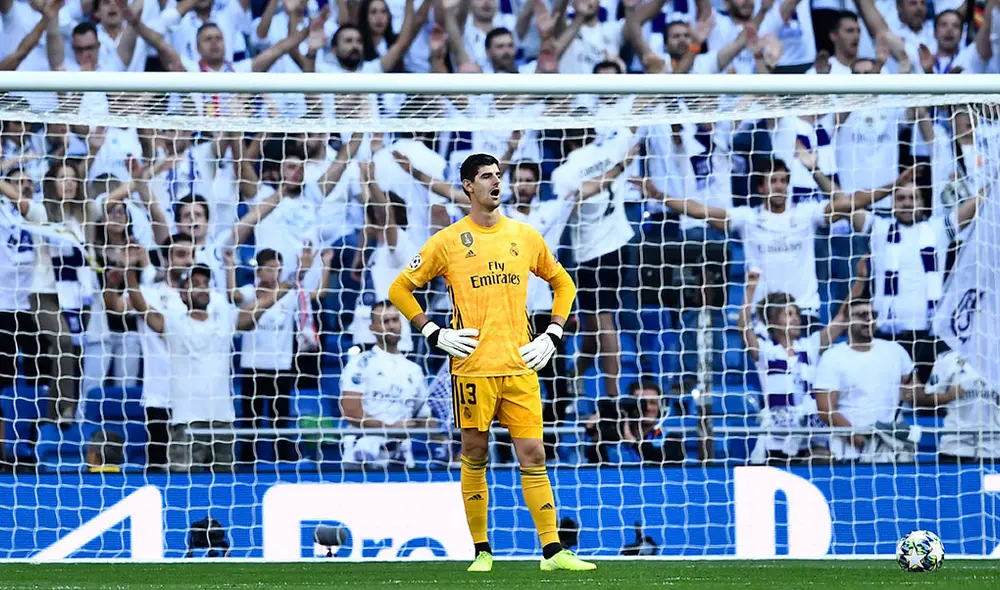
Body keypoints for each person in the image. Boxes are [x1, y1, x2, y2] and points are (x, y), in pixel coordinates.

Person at [388, 153, 594, 572]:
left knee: (534, 454)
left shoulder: (523, 235)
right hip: (472, 369)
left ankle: (552, 552)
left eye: (498, 176)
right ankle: (482, 550)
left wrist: (553, 332)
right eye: (486, 177)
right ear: (467, 186)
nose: (496, 183)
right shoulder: (447, 241)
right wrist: (433, 332)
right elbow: (399, 289)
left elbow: (563, 282)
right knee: (475, 454)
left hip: (520, 365)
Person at [739, 259, 868, 465]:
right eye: (788, 314)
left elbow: (842, 319)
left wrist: (860, 280)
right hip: (778, 438)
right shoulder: (766, 352)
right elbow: (744, 329)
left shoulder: (809, 347)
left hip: (810, 435)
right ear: (772, 320)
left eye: (797, 313)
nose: (796, 318)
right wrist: (751, 289)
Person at [339, 300, 435, 469]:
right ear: (372, 327)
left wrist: (444, 430)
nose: (391, 326)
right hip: (362, 456)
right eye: (385, 321)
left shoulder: (414, 370)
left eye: (395, 320)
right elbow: (351, 411)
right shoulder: (360, 363)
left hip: (401, 458)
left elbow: (423, 417)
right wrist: (391, 428)